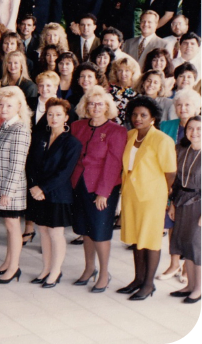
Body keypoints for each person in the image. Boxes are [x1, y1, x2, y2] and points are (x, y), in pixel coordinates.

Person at [117, 97, 176, 300]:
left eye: (143, 115)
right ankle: (138, 279)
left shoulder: (162, 140)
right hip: (131, 196)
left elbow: (170, 172)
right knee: (135, 237)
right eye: (134, 114)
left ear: (153, 117)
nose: (137, 118)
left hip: (152, 198)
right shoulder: (130, 135)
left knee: (150, 240)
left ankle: (148, 284)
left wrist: (163, 194)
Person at [70, 86, 127, 293]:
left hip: (102, 188)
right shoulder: (77, 126)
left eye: (100, 104)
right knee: (85, 230)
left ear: (107, 107)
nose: (95, 107)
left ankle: (104, 273)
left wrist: (104, 192)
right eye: (91, 103)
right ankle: (89, 268)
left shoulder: (116, 131)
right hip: (80, 184)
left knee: (100, 232)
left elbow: (113, 163)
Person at [27, 98, 82, 288]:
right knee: (42, 231)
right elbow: (31, 164)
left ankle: (56, 270)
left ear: (66, 117)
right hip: (38, 192)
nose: (54, 118)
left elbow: (64, 172)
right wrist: (34, 186)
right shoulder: (40, 136)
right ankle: (45, 268)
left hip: (57, 193)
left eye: (58, 115)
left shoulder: (72, 143)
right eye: (50, 114)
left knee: (55, 233)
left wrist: (43, 188)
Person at [0, 86, 31, 283]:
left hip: (11, 188)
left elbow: (17, 164)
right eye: (1, 104)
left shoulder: (20, 128)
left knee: (13, 228)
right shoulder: (5, 125)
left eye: (9, 105)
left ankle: (14, 268)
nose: (4, 108)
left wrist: (7, 192)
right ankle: (7, 262)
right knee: (8, 226)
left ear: (19, 106)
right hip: (0, 184)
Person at [169, 115, 202, 303]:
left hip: (199, 203)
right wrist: (172, 202)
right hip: (182, 201)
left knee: (198, 245)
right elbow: (177, 180)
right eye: (191, 128)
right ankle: (189, 284)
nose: (194, 132)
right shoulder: (181, 149)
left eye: (199, 128)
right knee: (184, 243)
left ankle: (199, 288)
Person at [108, 56, 141, 126]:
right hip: (110, 126)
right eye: (120, 70)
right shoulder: (109, 88)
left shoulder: (138, 90)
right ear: (115, 72)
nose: (123, 74)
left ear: (132, 72)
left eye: (127, 71)